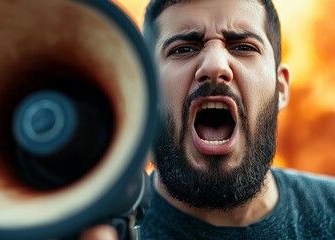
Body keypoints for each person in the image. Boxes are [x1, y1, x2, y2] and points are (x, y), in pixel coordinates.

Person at [82, 0, 335, 239]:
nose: (215, 66)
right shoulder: (99, 228)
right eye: (183, 49)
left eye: (243, 47)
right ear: (146, 89)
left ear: (280, 89)